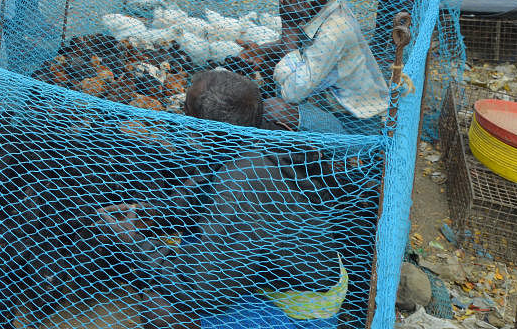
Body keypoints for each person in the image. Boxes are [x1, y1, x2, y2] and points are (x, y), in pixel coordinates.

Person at [120, 70, 352, 329]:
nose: (183, 116)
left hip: (304, 307)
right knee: (186, 244)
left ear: (208, 130)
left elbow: (205, 292)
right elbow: (202, 185)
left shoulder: (241, 180)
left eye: (187, 111)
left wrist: (137, 244)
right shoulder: (254, 130)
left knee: (159, 307)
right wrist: (152, 213)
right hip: (285, 261)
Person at [237, 0, 390, 135]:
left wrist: (289, 24)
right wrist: (261, 49)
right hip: (329, 104)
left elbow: (292, 93)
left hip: (353, 127)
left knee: (274, 108)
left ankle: (313, 150)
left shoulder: (336, 29)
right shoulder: (320, 5)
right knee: (270, 62)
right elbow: (300, 44)